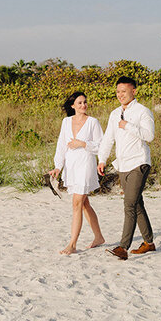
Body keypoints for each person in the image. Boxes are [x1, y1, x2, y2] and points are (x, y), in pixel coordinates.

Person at [97, 76, 156, 260]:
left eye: (124, 91)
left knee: (129, 204)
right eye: (118, 92)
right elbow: (108, 138)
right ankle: (149, 242)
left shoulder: (142, 111)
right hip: (123, 164)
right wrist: (102, 159)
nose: (120, 95)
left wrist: (128, 125)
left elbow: (149, 136)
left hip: (139, 162)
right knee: (136, 203)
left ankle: (123, 247)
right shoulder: (114, 113)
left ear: (134, 91)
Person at [47, 91, 106, 254]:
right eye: (79, 103)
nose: (83, 105)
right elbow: (61, 145)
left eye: (85, 102)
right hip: (71, 166)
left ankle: (72, 244)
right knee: (85, 204)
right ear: (72, 105)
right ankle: (99, 237)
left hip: (86, 164)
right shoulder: (66, 122)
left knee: (77, 203)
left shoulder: (93, 122)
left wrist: (82, 143)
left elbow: (101, 145)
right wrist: (58, 166)